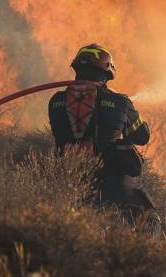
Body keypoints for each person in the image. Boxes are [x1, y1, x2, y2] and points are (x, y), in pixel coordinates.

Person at [47, 44, 160, 230]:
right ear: (106, 74)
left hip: (68, 180)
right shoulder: (121, 102)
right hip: (113, 182)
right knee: (149, 215)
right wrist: (126, 111)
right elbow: (143, 136)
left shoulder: (56, 101)